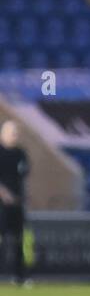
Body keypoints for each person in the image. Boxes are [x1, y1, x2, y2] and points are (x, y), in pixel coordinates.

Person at [0, 121, 30, 285]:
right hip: (1, 205)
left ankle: (20, 276)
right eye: (11, 132)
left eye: (16, 132)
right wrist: (4, 194)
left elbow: (23, 176)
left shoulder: (20, 153)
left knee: (19, 240)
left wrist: (19, 197)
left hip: (17, 205)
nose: (14, 135)